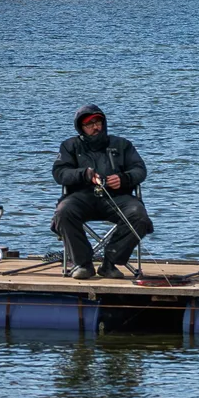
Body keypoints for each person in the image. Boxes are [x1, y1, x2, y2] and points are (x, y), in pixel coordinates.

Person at [52, 105, 154, 280]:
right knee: (63, 212)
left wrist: (124, 178)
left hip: (118, 197)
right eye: (89, 124)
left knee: (139, 216)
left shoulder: (122, 145)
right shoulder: (69, 146)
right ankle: (83, 263)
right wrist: (83, 174)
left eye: (98, 122)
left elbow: (140, 170)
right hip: (82, 197)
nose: (95, 127)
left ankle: (110, 263)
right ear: (81, 127)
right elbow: (60, 173)